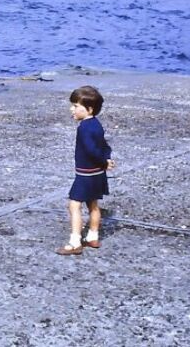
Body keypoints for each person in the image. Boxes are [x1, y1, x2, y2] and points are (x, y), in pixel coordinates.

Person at [57, 85, 115, 255]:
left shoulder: (84, 127)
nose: (72, 109)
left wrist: (103, 162)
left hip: (85, 174)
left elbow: (91, 150)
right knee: (93, 205)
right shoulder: (97, 124)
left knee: (74, 205)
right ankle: (93, 236)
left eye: (75, 106)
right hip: (97, 174)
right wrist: (107, 159)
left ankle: (75, 242)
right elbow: (103, 145)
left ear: (89, 109)